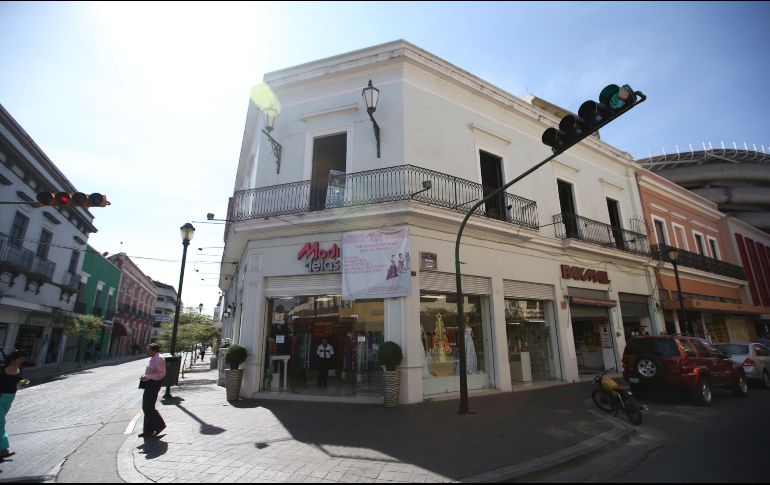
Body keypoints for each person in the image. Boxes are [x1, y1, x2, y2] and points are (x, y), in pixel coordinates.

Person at [0, 350, 29, 459]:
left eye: (22, 360)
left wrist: (24, 382)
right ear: (13, 359)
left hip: (9, 398)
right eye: (20, 359)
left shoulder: (19, 370)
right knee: (1, 423)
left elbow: (19, 381)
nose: (21, 361)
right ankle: (3, 450)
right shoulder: (2, 368)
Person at [138, 343, 166, 438]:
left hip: (153, 384)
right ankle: (148, 431)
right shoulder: (155, 357)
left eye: (148, 350)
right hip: (150, 383)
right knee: (147, 407)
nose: (147, 351)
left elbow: (161, 374)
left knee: (147, 407)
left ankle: (159, 425)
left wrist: (147, 376)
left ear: (154, 350)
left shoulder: (158, 359)